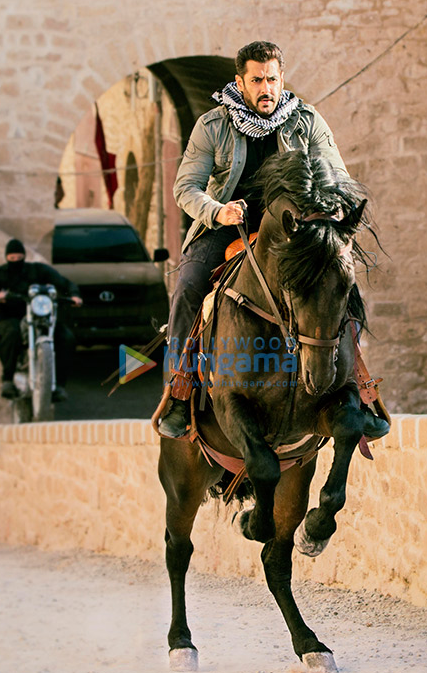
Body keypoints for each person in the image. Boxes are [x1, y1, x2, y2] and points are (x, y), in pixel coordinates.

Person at [159, 40, 388, 441]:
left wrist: (331, 212)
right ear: (240, 82)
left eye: (272, 79)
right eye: (256, 80)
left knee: (340, 284)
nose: (266, 88)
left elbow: (337, 175)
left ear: (282, 78)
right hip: (228, 226)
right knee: (188, 287)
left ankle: (359, 388)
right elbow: (186, 188)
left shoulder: (306, 120)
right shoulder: (213, 124)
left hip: (293, 233)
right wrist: (218, 210)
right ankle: (179, 390)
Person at [0, 238, 83, 402]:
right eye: (12, 258)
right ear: (6, 257)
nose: (16, 261)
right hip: (9, 317)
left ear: (24, 256)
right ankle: (7, 380)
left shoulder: (37, 270)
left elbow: (63, 282)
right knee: (12, 333)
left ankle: (59, 386)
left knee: (66, 337)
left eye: (19, 257)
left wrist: (74, 295)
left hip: (39, 314)